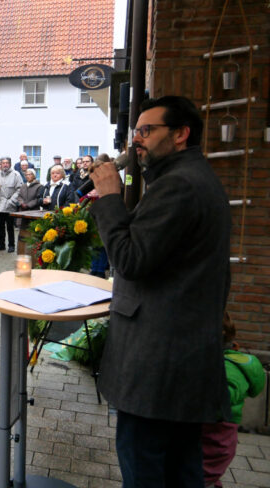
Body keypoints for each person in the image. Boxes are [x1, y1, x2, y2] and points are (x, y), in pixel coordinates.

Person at [89, 95, 232, 487]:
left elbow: (131, 259)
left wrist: (110, 199)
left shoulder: (179, 187)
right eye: (136, 131)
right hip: (180, 363)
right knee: (182, 469)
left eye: (147, 131)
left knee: (146, 468)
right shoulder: (189, 179)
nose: (137, 140)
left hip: (159, 364)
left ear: (181, 134)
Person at [201, 311, 265, 488]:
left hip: (212, 436)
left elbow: (221, 399)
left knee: (199, 476)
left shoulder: (227, 368)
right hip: (222, 438)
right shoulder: (238, 362)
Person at [0, 157, 23, 252]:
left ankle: (11, 245)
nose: (5, 164)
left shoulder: (16, 174)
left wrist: (11, 201)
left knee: (10, 227)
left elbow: (19, 189)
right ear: (1, 164)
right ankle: (1, 245)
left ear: (10, 164)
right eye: (3, 163)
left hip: (10, 204)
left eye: (7, 163)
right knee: (0, 226)